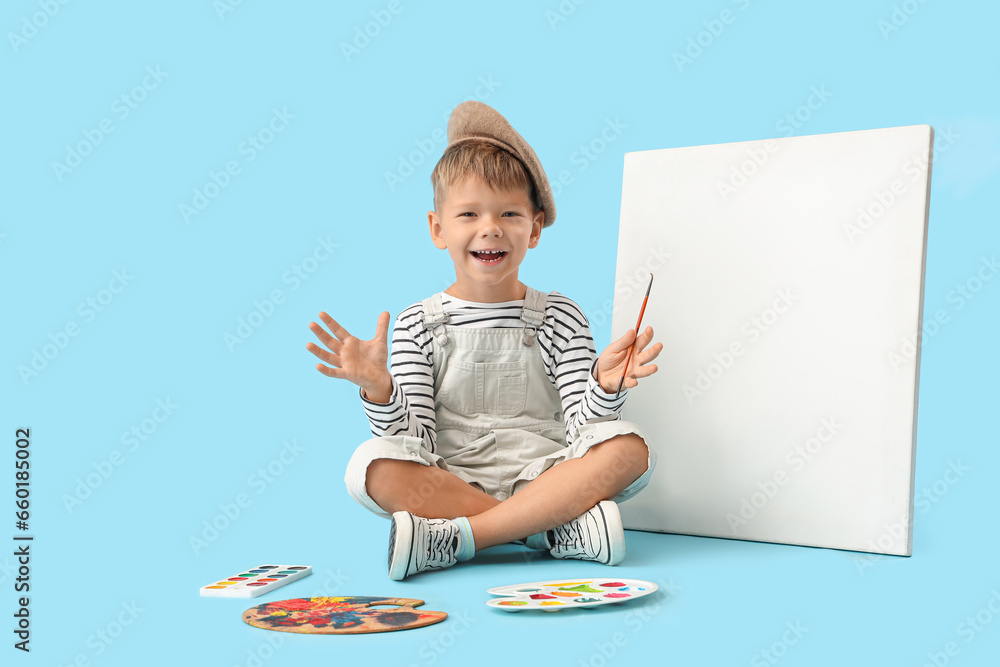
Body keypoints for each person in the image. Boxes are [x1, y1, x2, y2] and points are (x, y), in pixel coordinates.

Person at [307, 101, 661, 580]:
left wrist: (605, 385)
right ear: (438, 228)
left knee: (630, 447)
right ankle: (547, 531)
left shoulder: (561, 316)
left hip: (546, 476)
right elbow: (416, 441)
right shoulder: (417, 323)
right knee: (369, 467)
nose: (489, 227)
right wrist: (380, 390)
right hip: (452, 482)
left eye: (509, 213)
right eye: (469, 213)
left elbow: (584, 431)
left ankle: (462, 539)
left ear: (534, 229)